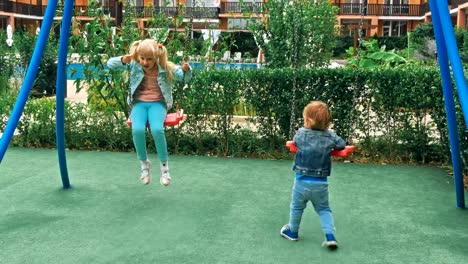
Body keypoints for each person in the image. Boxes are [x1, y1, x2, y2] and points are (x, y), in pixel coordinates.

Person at [107, 39, 192, 186]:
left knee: (157, 129)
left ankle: (164, 168)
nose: (145, 62)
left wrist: (186, 70)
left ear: (157, 57)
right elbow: (109, 64)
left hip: (158, 103)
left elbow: (184, 78)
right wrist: (122, 59)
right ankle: (144, 165)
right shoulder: (134, 64)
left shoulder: (165, 67)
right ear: (138, 56)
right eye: (142, 58)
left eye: (149, 59)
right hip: (139, 103)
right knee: (138, 130)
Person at [280, 101, 345, 250]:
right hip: (320, 184)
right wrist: (332, 140)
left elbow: (295, 142)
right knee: (324, 209)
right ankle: (330, 236)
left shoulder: (301, 133)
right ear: (328, 122)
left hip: (301, 182)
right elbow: (341, 145)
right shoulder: (330, 136)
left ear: (307, 120)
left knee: (296, 207)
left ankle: (292, 231)